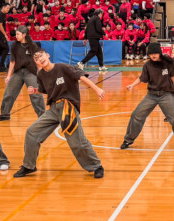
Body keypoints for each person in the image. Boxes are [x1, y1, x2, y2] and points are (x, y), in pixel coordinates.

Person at [13, 50, 105, 179]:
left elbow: (81, 76)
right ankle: (29, 166)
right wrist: (35, 91)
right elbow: (44, 90)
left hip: (68, 107)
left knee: (76, 142)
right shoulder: (41, 75)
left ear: (48, 55)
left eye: (41, 56)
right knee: (32, 132)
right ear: (36, 63)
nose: (40, 59)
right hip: (53, 109)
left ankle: (96, 166)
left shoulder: (63, 67)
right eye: (37, 59)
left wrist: (97, 89)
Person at [121, 42, 174, 149]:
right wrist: (132, 85)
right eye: (151, 54)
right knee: (136, 115)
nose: (153, 56)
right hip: (151, 95)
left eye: (155, 53)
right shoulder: (147, 65)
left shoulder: (167, 63)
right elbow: (142, 78)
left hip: (166, 95)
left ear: (160, 53)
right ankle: (128, 140)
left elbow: (173, 76)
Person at [0, 27, 45, 120]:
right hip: (18, 72)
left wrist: (42, 74)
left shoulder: (33, 45)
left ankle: (42, 116)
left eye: (18, 34)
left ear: (24, 34)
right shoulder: (15, 45)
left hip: (30, 72)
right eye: (16, 34)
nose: (16, 36)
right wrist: (8, 76)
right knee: (9, 93)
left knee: (35, 93)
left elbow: (38, 60)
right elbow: (12, 61)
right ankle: (5, 114)